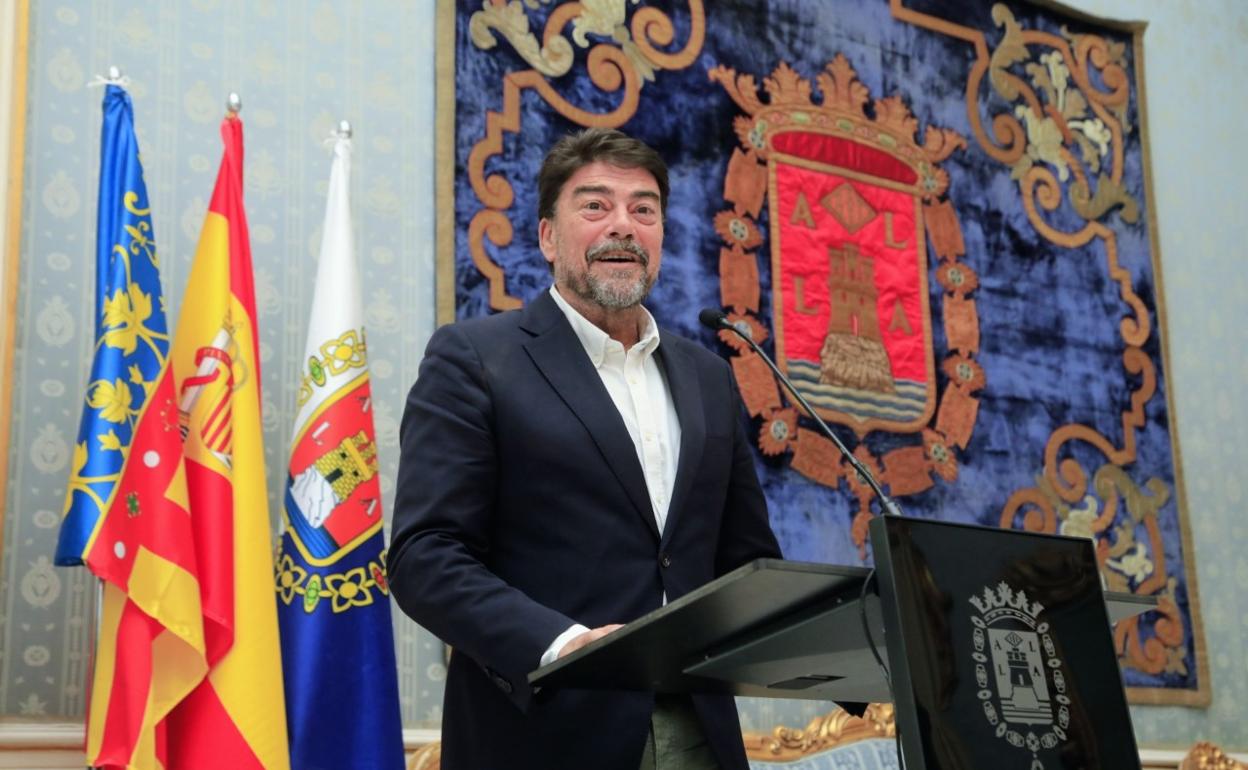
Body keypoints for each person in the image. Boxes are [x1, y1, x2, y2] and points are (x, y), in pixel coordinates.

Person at [388, 128, 781, 769]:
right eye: (595, 206)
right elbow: (424, 556)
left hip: (700, 732)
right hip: (541, 730)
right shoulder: (475, 358)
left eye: (643, 209)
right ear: (548, 237)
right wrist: (563, 643)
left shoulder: (709, 376)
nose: (622, 226)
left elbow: (745, 559)